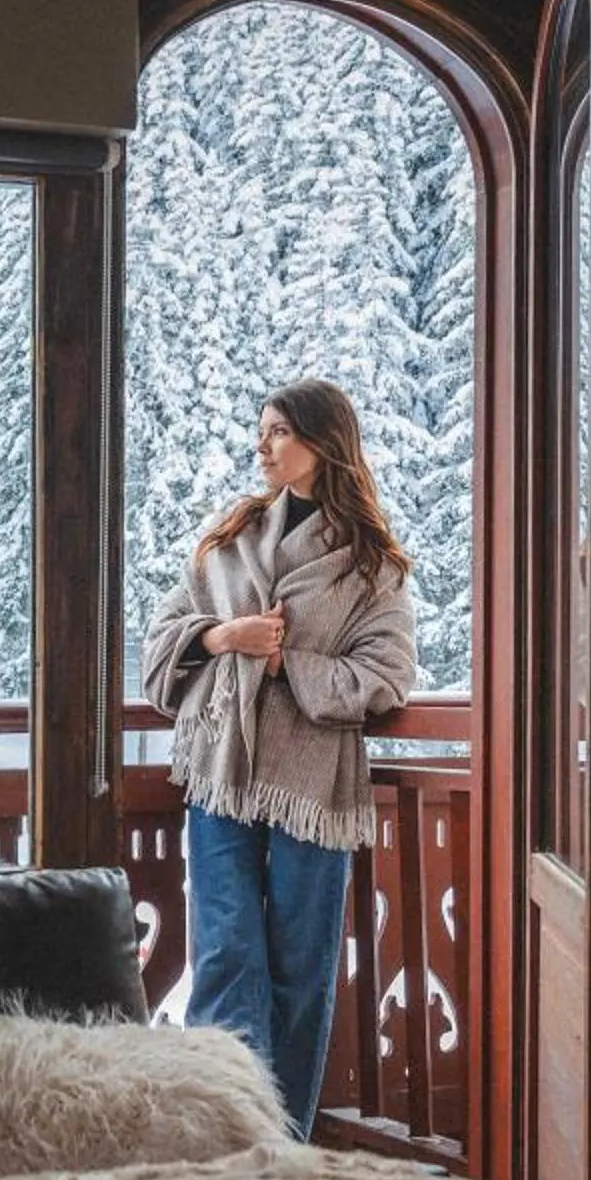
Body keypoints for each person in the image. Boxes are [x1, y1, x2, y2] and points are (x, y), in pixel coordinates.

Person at [139, 379, 417, 1138]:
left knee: (300, 971)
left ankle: (281, 1144)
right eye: (260, 432)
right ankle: (223, 1137)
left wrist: (287, 660)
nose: (261, 446)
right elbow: (160, 641)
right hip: (220, 775)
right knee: (225, 953)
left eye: (278, 433)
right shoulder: (229, 537)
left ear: (323, 443)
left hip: (312, 786)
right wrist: (223, 638)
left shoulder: (368, 565)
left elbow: (385, 677)